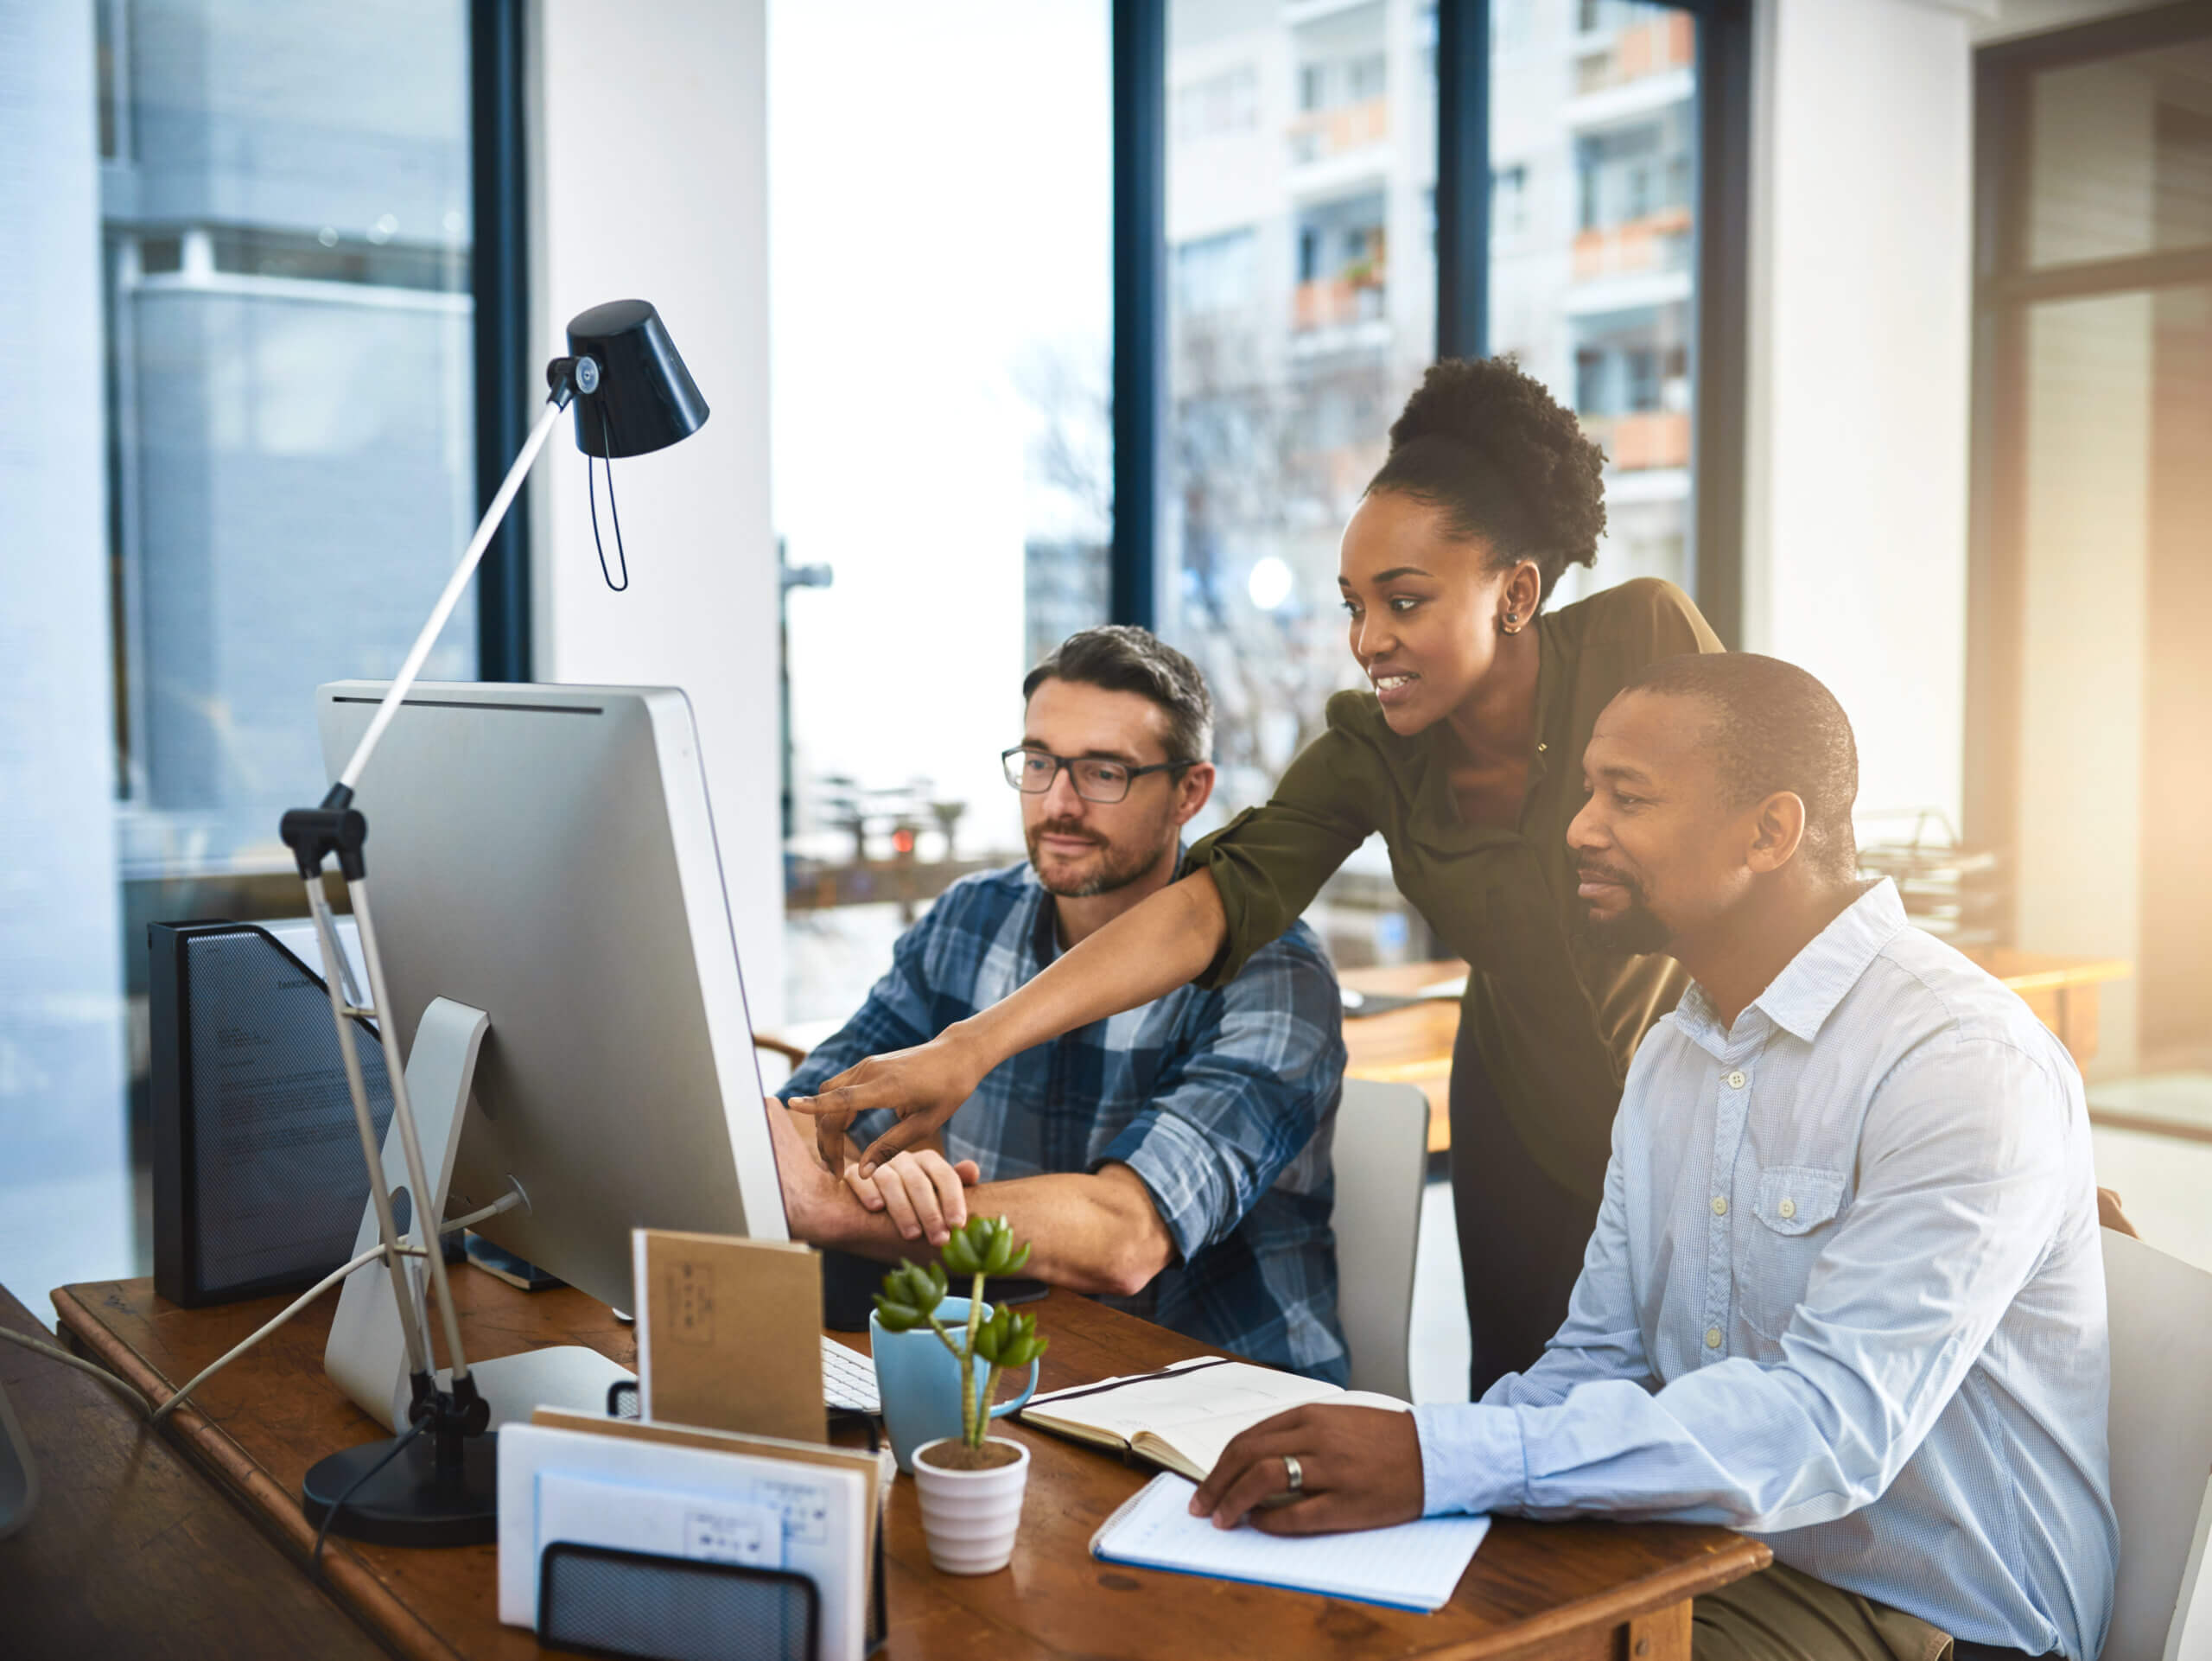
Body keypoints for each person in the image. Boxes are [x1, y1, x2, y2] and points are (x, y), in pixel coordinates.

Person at [791, 357, 1724, 1393]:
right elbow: (1209, 906)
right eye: (1353, 606)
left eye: (1404, 601)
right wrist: (970, 1048)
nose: (1370, 641)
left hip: (1700, 1081)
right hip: (1522, 1101)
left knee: (1719, 1381)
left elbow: (1759, 845)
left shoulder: (1641, 639)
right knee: (1535, 1401)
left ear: (1514, 592)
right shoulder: (1372, 748)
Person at [1191, 653, 2116, 1661]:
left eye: (1624, 796)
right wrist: (1430, 1472)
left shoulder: (1958, 1059)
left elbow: (1831, 1425)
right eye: (1587, 788)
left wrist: (1440, 1455)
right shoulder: (1676, 1050)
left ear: (1770, 831)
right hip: (1707, 1547)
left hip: (1934, 1613)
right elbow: (1599, 1354)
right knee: (1311, 1611)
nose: (1578, 826)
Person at [766, 627, 1350, 1382]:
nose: (1059, 804)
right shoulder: (971, 918)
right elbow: (812, 1126)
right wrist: (888, 1183)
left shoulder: (1273, 972)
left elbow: (1126, 1239)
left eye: (1103, 772)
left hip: (1223, 1401)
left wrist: (850, 1209)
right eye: (1039, 763)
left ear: (1190, 793)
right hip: (1020, 1372)